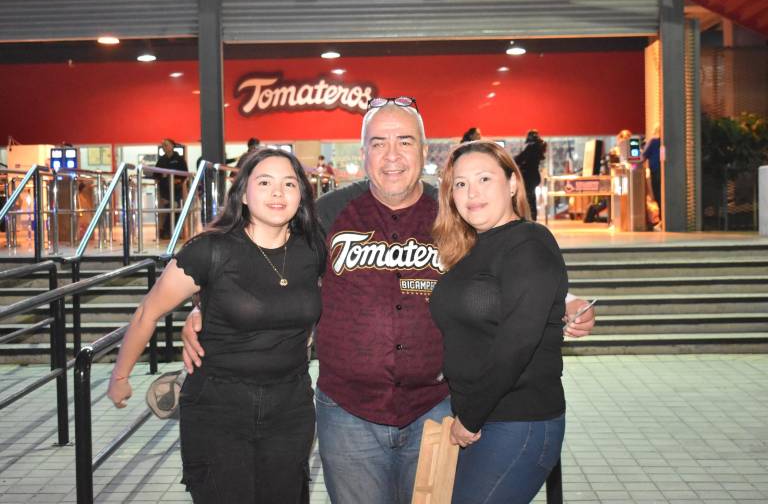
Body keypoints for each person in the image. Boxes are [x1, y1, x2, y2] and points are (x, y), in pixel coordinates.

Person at [181, 96, 596, 504]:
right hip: (348, 414)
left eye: (405, 141)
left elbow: (508, 267)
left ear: (423, 150)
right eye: (378, 143)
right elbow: (265, 263)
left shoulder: (454, 212)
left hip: (435, 409)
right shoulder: (327, 213)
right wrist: (206, 309)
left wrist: (565, 299)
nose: (392, 155)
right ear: (364, 153)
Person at [107, 148, 327, 503]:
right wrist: (120, 376)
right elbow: (148, 311)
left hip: (291, 406)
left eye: (289, 183)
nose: (278, 192)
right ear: (243, 193)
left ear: (301, 194)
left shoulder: (313, 249)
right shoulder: (210, 250)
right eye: (265, 182)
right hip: (219, 407)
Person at [431, 140, 567, 503]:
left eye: (484, 179)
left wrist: (470, 417)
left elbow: (517, 342)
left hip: (518, 421)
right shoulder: (471, 249)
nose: (471, 193)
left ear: (512, 183)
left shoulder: (529, 243)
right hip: (480, 419)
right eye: (460, 184)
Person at [155, 138, 189, 239]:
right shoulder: (161, 160)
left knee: (176, 208)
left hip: (177, 189)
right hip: (164, 190)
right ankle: (166, 231)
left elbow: (185, 173)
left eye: (166, 145)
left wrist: (177, 179)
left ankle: (168, 231)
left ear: (172, 146)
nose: (164, 147)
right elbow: (155, 174)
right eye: (163, 145)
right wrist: (162, 176)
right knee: (167, 210)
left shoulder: (179, 159)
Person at [514, 129, 546, 221]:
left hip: (528, 176)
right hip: (535, 176)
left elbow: (519, 159)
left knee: (528, 197)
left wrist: (514, 161)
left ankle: (529, 217)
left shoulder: (531, 148)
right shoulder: (539, 147)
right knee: (532, 197)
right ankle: (533, 217)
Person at [643, 125, 662, 214]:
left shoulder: (653, 142)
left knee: (657, 193)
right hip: (664, 171)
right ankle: (663, 215)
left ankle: (662, 215)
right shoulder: (665, 143)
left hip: (655, 171)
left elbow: (643, 157)